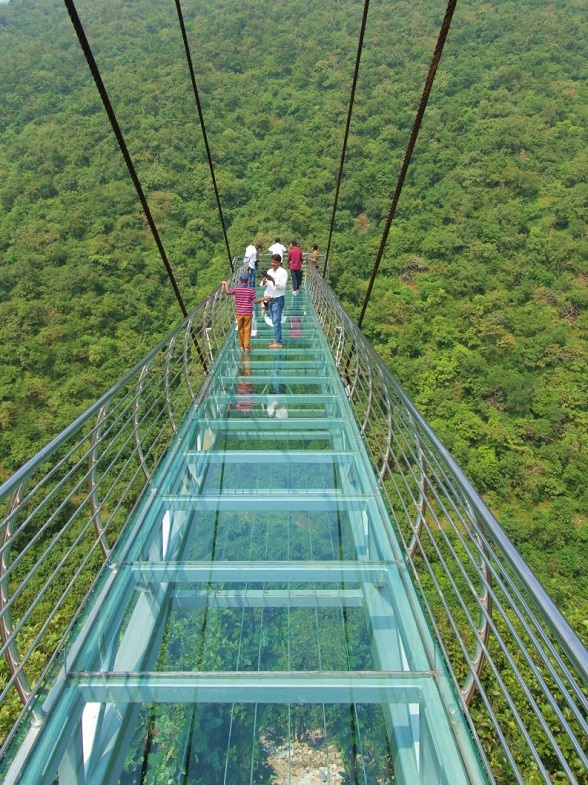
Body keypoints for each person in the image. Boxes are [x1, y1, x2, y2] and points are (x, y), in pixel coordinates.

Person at [221, 273, 256, 351]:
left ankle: (241, 346)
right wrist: (264, 298)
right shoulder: (251, 290)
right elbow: (255, 301)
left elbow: (227, 292)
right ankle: (247, 346)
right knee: (247, 330)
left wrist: (226, 284)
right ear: (248, 281)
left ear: (240, 280)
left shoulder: (236, 289)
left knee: (240, 329)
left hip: (239, 313)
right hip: (248, 313)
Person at [260, 254, 288, 348]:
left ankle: (279, 342)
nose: (273, 264)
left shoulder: (283, 272)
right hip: (270, 299)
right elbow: (263, 285)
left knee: (276, 321)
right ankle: (276, 339)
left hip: (278, 299)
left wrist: (273, 281)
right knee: (274, 321)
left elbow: (283, 286)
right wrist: (264, 281)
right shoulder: (269, 271)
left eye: (275, 262)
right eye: (272, 262)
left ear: (279, 262)